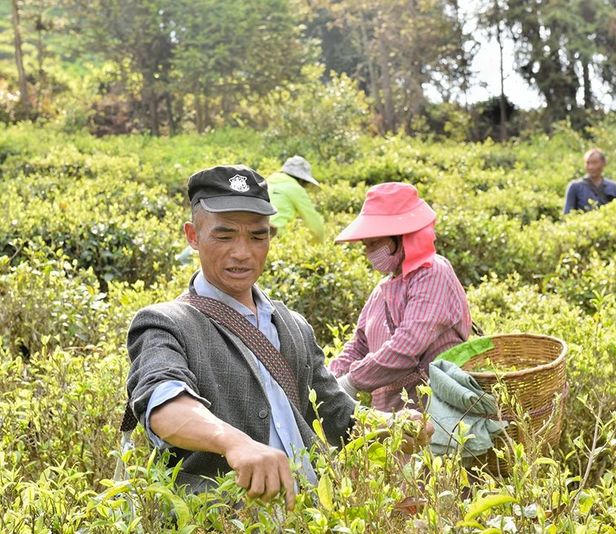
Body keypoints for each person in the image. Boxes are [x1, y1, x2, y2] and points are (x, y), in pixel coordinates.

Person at [125, 166, 430, 509]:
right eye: (224, 236)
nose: (242, 252)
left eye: (257, 236)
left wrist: (390, 425)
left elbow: (335, 411)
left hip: (308, 516)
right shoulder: (166, 323)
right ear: (193, 236)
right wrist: (234, 443)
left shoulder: (293, 324)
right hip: (224, 520)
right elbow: (162, 401)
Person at [328, 182, 472, 412]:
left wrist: (352, 380)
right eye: (366, 245)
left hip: (437, 414)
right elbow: (359, 344)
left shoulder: (433, 273)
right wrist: (330, 379)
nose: (369, 253)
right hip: (393, 416)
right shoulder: (384, 287)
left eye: (375, 243)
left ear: (402, 237)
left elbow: (408, 346)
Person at [266, 156, 325, 241]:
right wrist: (319, 247)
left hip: (256, 233)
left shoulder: (267, 182)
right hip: (277, 236)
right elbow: (315, 224)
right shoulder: (295, 188)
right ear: (302, 180)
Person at [563, 148, 616, 214]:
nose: (591, 167)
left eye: (594, 163)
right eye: (588, 163)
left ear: (603, 163)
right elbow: (567, 214)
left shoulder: (614, 187)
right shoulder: (575, 187)